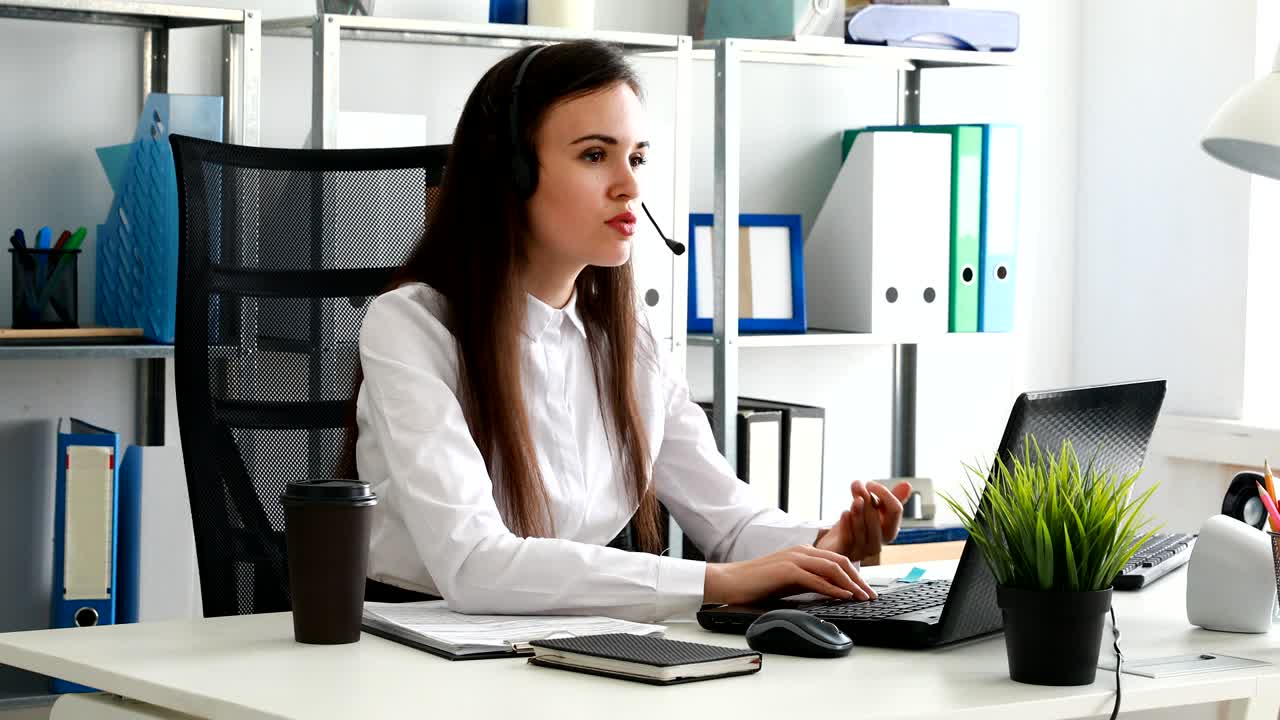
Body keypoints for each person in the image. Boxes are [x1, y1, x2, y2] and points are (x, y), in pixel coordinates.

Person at [352, 39, 913, 623]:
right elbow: (474, 563)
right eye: (596, 155)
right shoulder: (412, 326)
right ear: (512, 173)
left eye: (637, 158)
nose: (630, 187)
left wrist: (822, 548)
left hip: (568, 633)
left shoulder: (626, 333)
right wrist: (716, 582)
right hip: (422, 641)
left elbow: (729, 518)